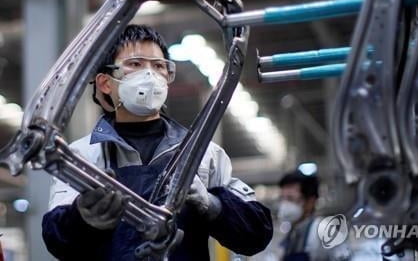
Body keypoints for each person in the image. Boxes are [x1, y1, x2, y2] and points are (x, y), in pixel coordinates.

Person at [42, 24, 273, 261]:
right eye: (135, 64)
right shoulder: (81, 157)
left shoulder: (203, 154)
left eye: (159, 66)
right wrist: (82, 218)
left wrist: (211, 204)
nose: (150, 75)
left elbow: (257, 235)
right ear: (105, 83)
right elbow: (56, 241)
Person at [278, 170, 331, 261]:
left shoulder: (324, 231)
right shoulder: (291, 232)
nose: (285, 204)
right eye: (283, 198)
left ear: (311, 201)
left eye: (290, 198)